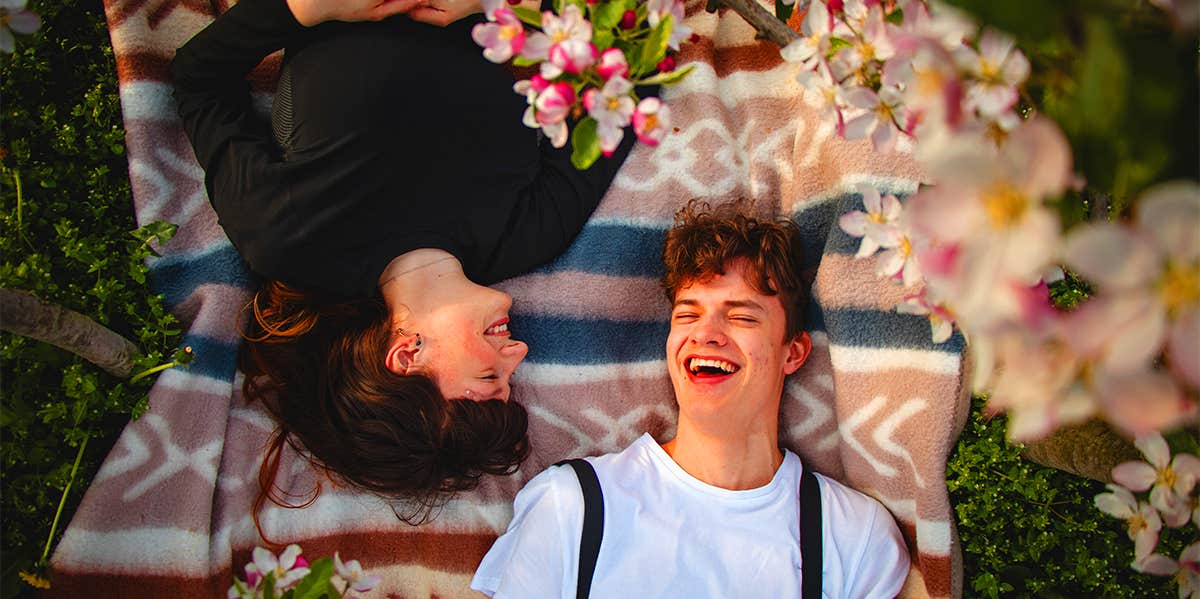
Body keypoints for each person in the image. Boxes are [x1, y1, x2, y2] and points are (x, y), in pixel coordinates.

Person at [169, 0, 641, 520]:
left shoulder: (291, 238)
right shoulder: (528, 235)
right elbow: (625, 77)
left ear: (405, 358)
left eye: (489, 380)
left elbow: (199, 80)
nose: (518, 352)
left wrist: (305, 8)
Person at [471, 201, 910, 598]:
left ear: (791, 352)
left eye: (740, 316)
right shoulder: (571, 506)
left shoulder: (855, 540)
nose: (704, 333)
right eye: (687, 314)